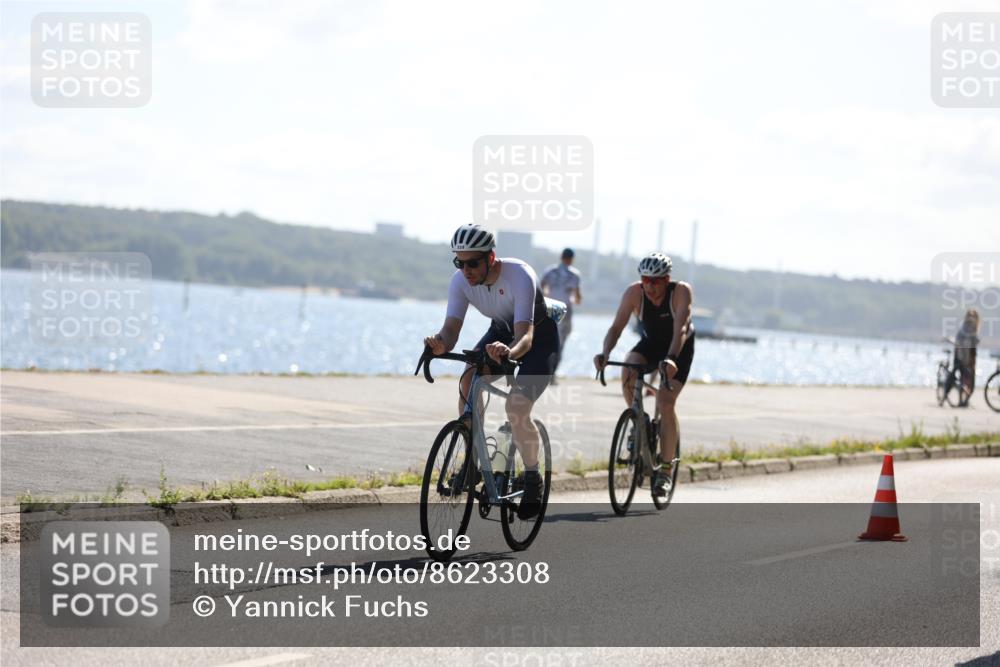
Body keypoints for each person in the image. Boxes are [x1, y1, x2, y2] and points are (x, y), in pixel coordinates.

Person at [423, 224, 560, 518]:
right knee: (468, 381)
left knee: (517, 407)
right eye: (460, 263)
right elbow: (450, 331)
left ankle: (533, 477)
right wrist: (439, 343)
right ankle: (473, 461)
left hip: (537, 339)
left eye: (473, 263)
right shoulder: (460, 282)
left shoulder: (520, 275)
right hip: (500, 333)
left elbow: (526, 337)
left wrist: (508, 352)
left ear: (491, 258)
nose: (466, 270)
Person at [593, 252, 695, 497]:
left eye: (656, 281)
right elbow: (616, 327)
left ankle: (666, 472)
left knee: (665, 402)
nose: (650, 286)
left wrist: (671, 358)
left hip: (678, 347)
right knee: (629, 366)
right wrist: (605, 353)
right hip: (652, 343)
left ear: (667, 280)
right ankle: (638, 421)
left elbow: (680, 329)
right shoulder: (634, 293)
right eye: (645, 280)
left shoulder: (680, 291)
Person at [541, 248, 582, 378]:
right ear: (572, 259)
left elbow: (541, 288)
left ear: (561, 256)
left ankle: (541, 370)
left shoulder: (550, 271)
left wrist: (548, 295)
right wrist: (574, 298)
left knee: (545, 340)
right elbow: (578, 298)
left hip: (549, 307)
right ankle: (552, 373)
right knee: (560, 343)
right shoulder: (574, 274)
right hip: (565, 311)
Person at [955, 309, 981, 407]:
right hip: (963, 356)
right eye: (970, 316)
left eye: (973, 317)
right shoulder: (965, 328)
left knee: (967, 381)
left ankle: (964, 400)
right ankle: (962, 401)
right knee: (964, 380)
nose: (971, 319)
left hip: (969, 356)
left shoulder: (973, 328)